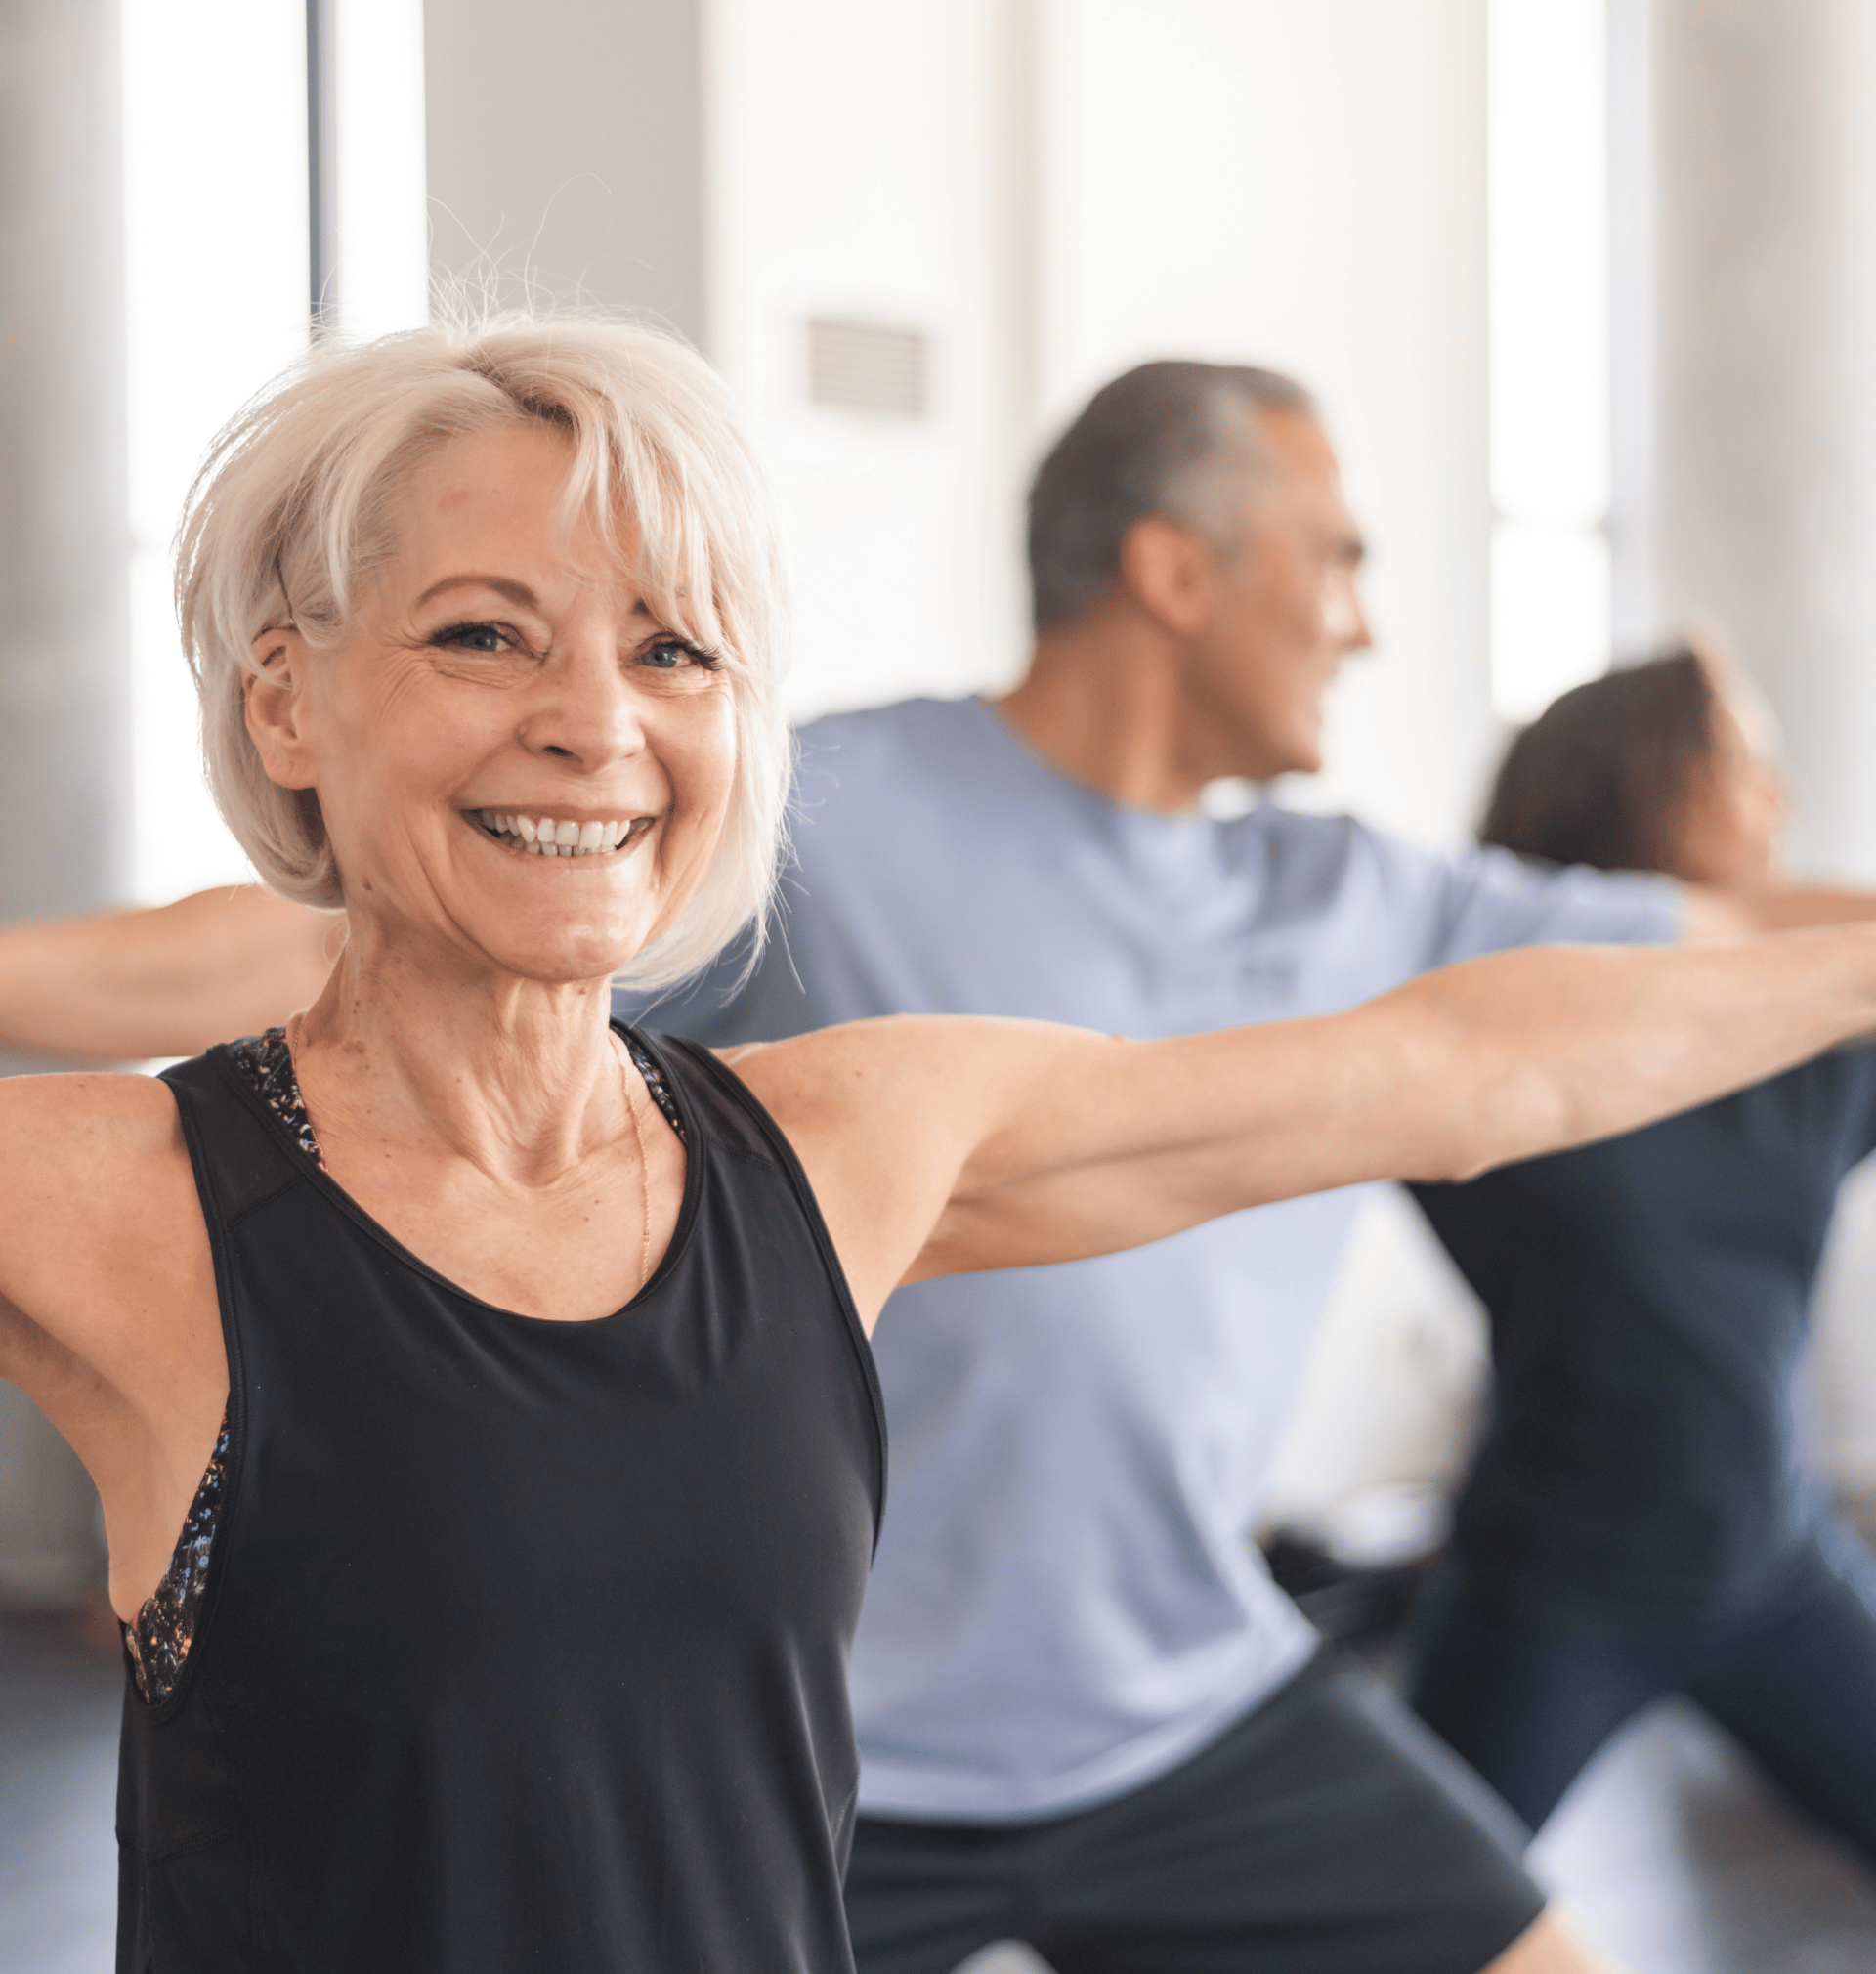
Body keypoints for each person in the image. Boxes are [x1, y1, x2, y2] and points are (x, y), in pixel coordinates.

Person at [7, 356, 1876, 1974]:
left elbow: (1473, 1062)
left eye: (673, 648)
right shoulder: (148, 1198)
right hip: (888, 1743)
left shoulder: (868, 1132)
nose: (594, 719)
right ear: (288, 703)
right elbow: (288, 940)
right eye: (484, 630)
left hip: (1179, 1704)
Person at [1408, 648, 1876, 1865]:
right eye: (1741, 764)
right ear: (1636, 784)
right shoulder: (1486, 1040)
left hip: (1777, 1568)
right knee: (1408, 1926)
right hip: (1549, 1592)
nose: (1778, 798)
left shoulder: (1817, 1037)